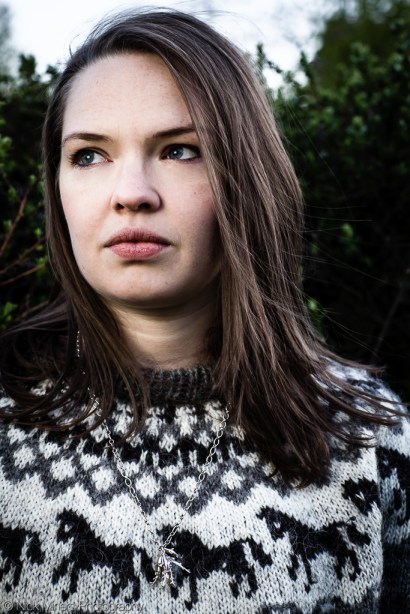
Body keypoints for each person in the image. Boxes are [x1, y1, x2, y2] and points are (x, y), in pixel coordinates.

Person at [0, 8, 408, 613]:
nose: (131, 193)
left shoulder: (368, 441)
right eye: (89, 155)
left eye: (180, 150)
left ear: (246, 178)